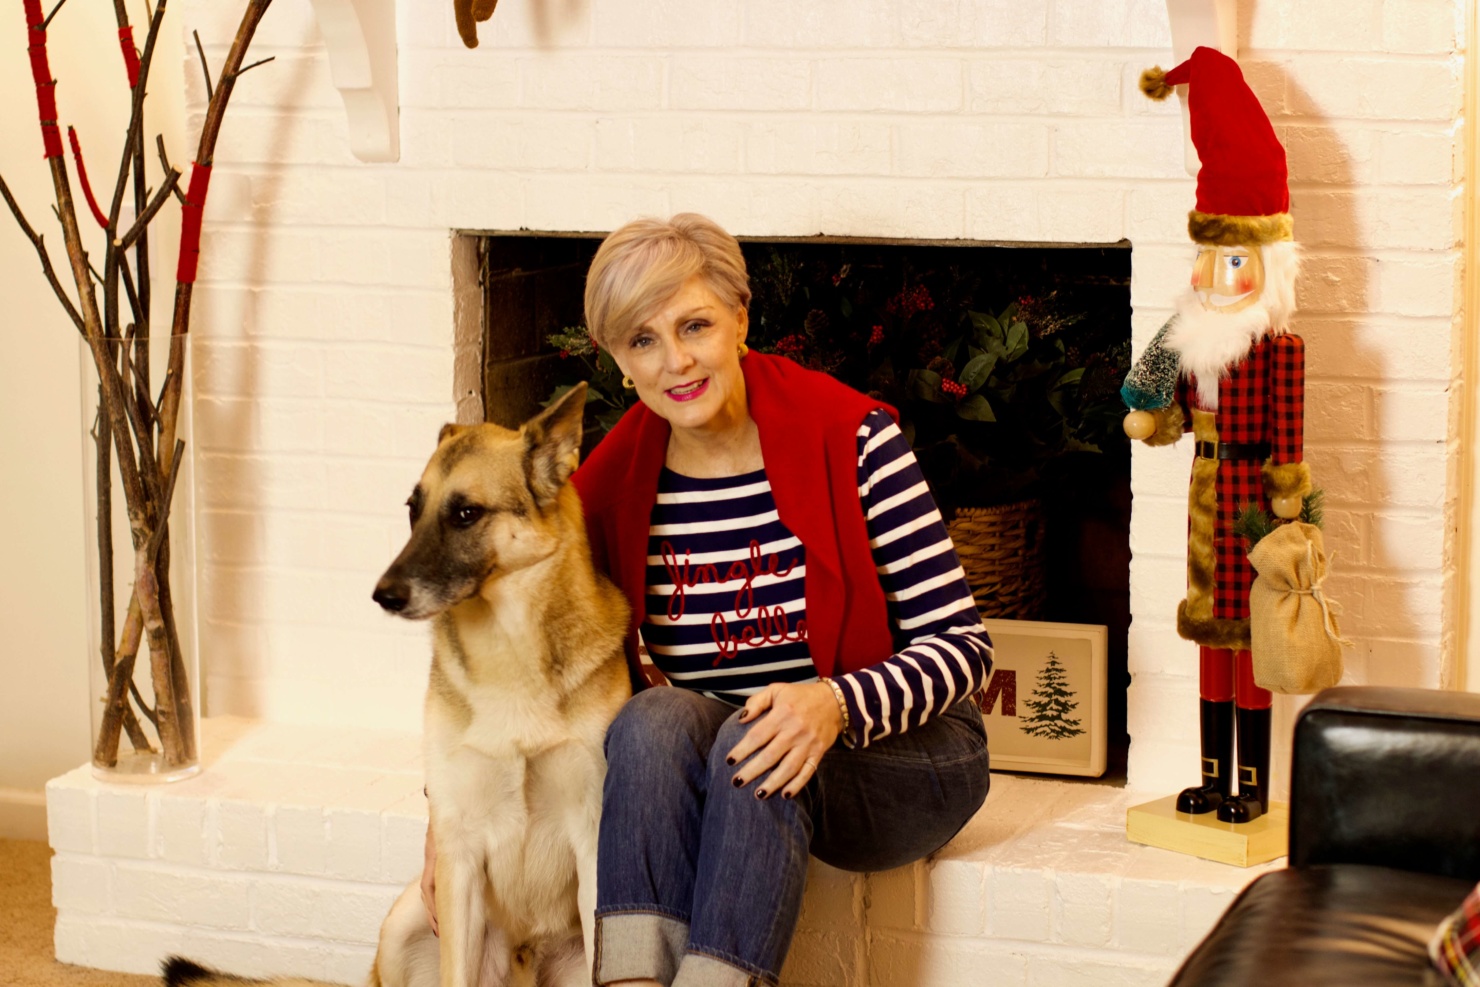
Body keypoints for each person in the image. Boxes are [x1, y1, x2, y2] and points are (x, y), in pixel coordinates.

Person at [425, 213, 993, 987]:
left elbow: (965, 648)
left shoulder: (855, 440)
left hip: (900, 753)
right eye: (643, 341)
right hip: (738, 760)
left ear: (741, 319)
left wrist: (834, 702)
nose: (676, 360)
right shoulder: (608, 489)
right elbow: (503, 642)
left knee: (743, 741)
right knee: (653, 720)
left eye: (694, 324)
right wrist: (443, 815)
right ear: (621, 362)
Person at [1122, 47, 1311, 825]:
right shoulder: (1189, 331)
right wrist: (1152, 412)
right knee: (1207, 635)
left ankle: (1254, 784)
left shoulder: (1276, 349)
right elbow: (1153, 389)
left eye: (1234, 259)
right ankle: (1209, 773)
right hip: (1203, 499)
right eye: (1210, 256)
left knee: (1251, 641)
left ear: (1264, 263)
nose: (1217, 277)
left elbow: (1288, 439)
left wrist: (1291, 502)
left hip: (1252, 509)